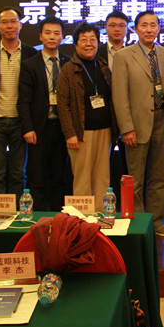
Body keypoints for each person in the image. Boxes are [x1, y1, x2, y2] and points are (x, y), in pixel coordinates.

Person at [111, 10, 164, 238]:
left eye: (153, 25)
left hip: (160, 121)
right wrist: (126, 128)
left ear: (158, 27)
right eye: (144, 25)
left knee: (159, 177)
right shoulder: (123, 56)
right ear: (135, 29)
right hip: (136, 125)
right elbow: (119, 95)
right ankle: (136, 224)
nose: (149, 29)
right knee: (135, 179)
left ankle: (157, 222)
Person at [57, 22, 117, 212]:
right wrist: (70, 133)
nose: (89, 43)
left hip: (105, 130)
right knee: (82, 178)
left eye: (93, 39)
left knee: (102, 178)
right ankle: (81, 219)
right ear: (76, 44)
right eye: (83, 40)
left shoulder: (104, 66)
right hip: (81, 133)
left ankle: (100, 216)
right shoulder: (68, 69)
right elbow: (62, 104)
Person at [0, 7, 37, 196]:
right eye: (4, 22)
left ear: (20, 24)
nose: (9, 26)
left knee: (19, 173)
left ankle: (19, 210)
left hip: (21, 122)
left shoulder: (31, 53)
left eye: (13, 21)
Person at [18, 16, 71, 212]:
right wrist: (28, 128)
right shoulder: (29, 64)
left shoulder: (68, 63)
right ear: (40, 36)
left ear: (62, 37)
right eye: (47, 33)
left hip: (63, 128)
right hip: (39, 128)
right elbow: (23, 100)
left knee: (60, 176)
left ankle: (59, 217)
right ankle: (38, 217)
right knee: (37, 177)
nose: (52, 37)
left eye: (56, 33)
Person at [96, 10, 130, 196]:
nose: (117, 29)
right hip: (103, 115)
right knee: (101, 166)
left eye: (121, 26)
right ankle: (102, 204)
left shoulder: (134, 52)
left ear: (127, 29)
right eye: (113, 25)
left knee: (129, 167)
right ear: (106, 28)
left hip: (128, 116)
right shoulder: (96, 52)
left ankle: (129, 207)